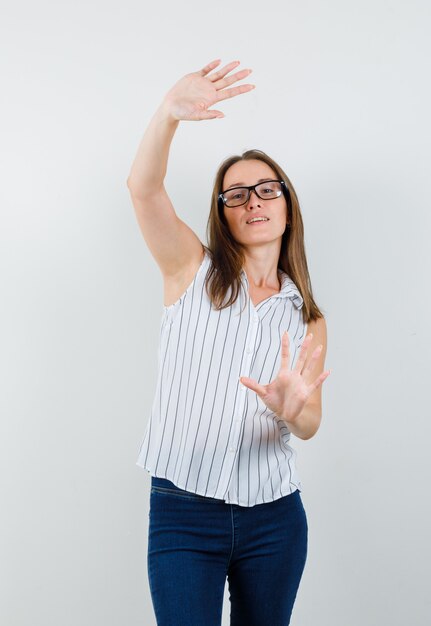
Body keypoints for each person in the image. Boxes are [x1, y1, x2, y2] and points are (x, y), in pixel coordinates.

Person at [127, 59, 331, 626]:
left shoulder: (308, 317)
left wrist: (294, 411)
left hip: (275, 519)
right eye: (237, 195)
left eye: (267, 190)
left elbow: (311, 423)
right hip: (182, 510)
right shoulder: (189, 269)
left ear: (288, 205)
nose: (254, 202)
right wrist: (169, 112)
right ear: (223, 215)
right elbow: (143, 191)